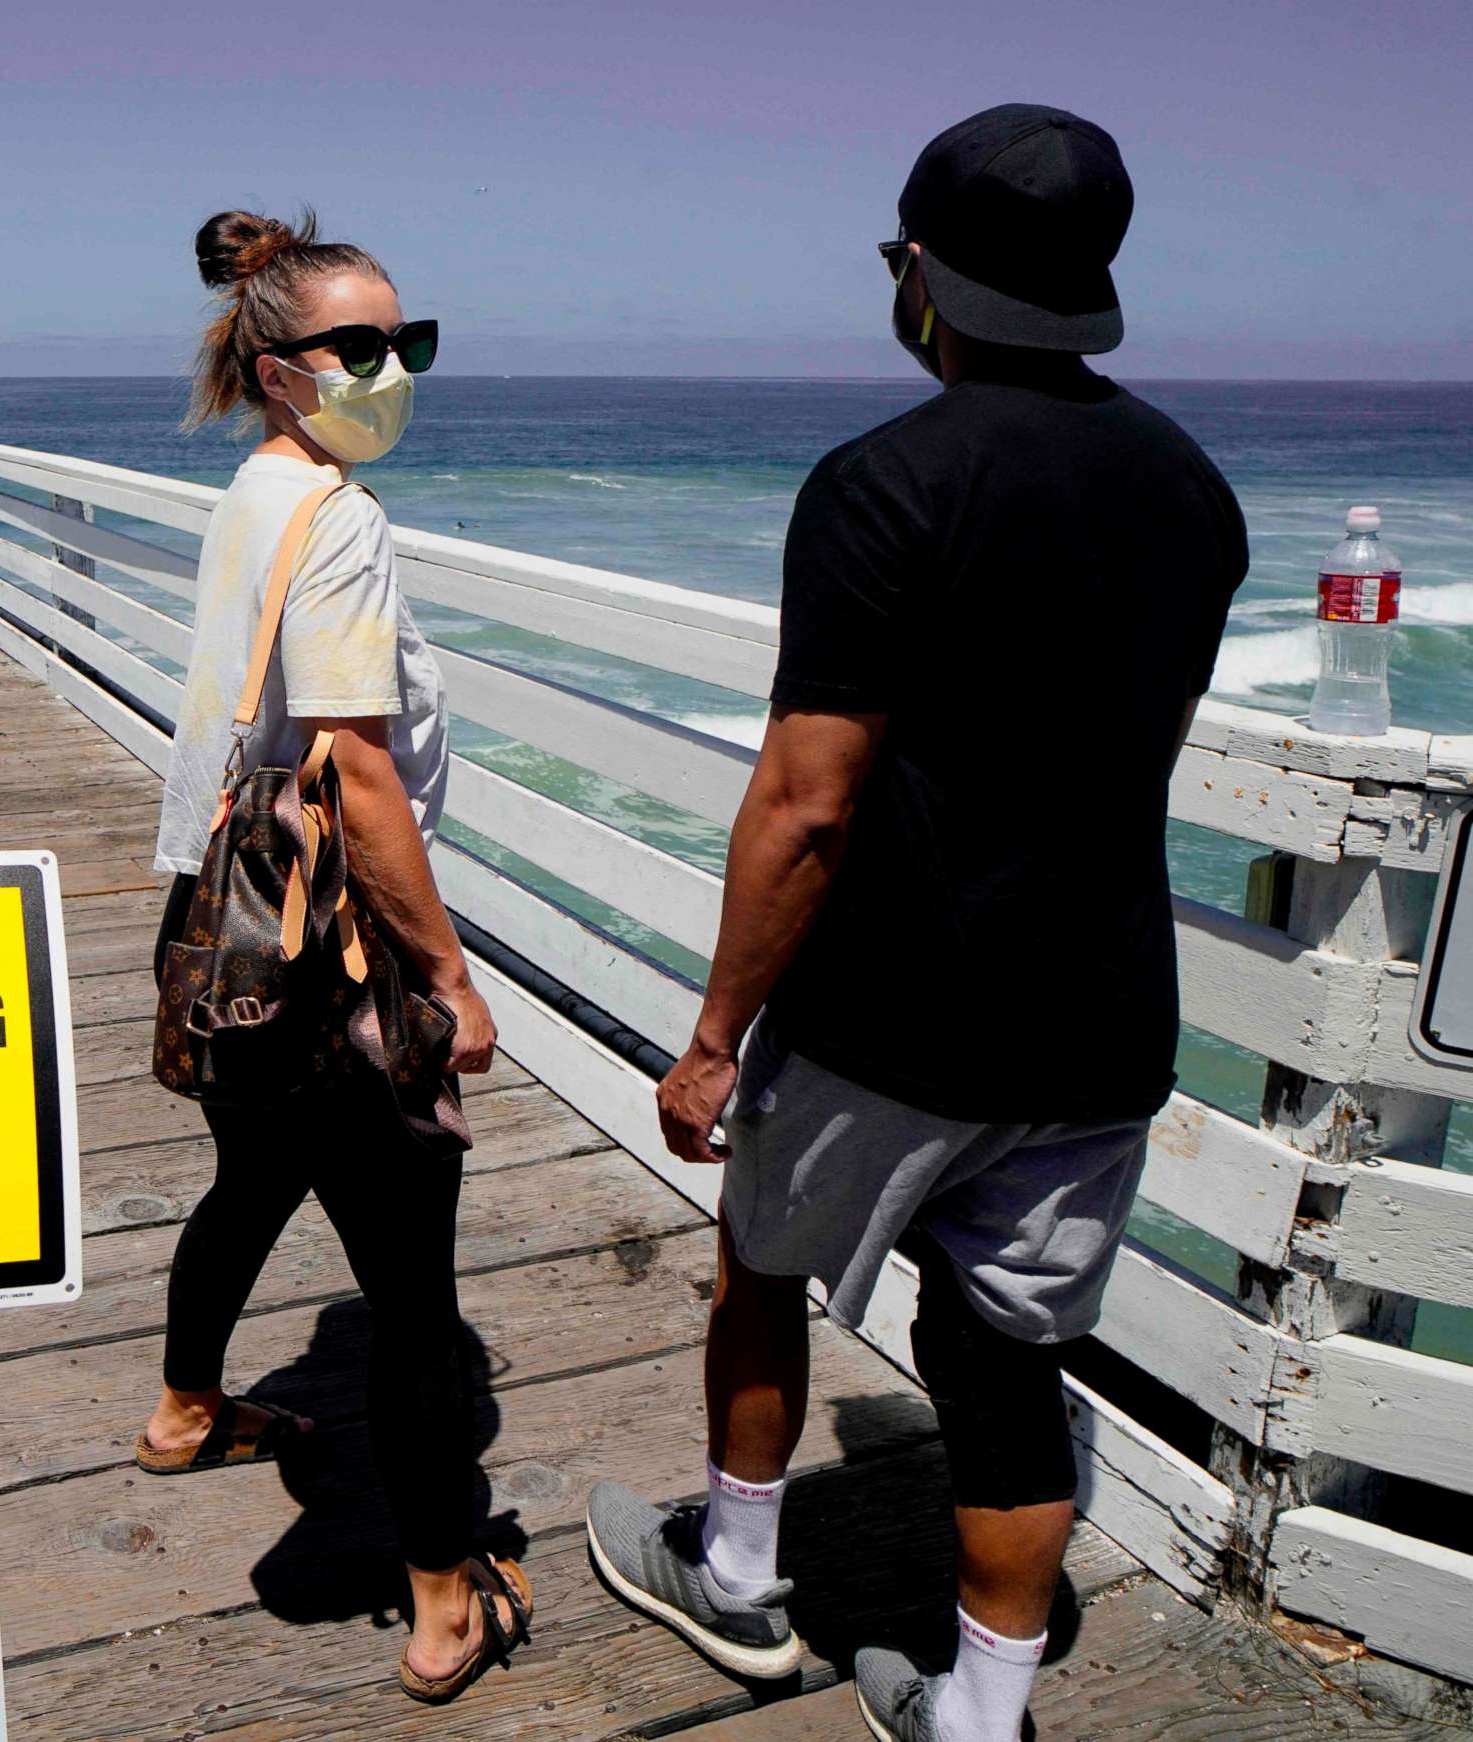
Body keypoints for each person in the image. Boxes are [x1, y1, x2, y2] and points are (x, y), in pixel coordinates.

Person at [583, 106, 1246, 1742]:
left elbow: (808, 801)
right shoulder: (1191, 492)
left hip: (893, 1014)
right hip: (1097, 1021)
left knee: (760, 1256)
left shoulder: (881, 484)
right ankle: (976, 1713)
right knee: (1011, 1357)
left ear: (924, 279)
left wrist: (714, 1030)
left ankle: (735, 1575)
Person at [137, 208, 522, 1707]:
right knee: (415, 1302)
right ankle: (443, 1601)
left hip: (221, 929)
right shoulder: (344, 522)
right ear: (280, 366)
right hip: (331, 957)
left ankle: (184, 1410)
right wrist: (448, 975)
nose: (392, 369)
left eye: (407, 343)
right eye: (360, 348)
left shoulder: (259, 489)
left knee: (252, 1175)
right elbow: (358, 777)